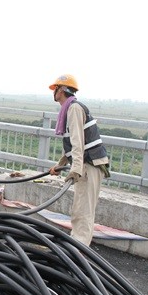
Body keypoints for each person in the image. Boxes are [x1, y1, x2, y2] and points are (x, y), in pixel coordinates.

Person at [48, 74, 110, 246]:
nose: (53, 92)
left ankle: (79, 252)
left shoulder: (74, 109)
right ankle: (78, 247)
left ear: (62, 90)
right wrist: (59, 166)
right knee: (80, 210)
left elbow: (77, 142)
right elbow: (72, 142)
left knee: (83, 212)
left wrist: (75, 169)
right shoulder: (69, 109)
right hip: (87, 164)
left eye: (56, 88)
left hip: (90, 165)